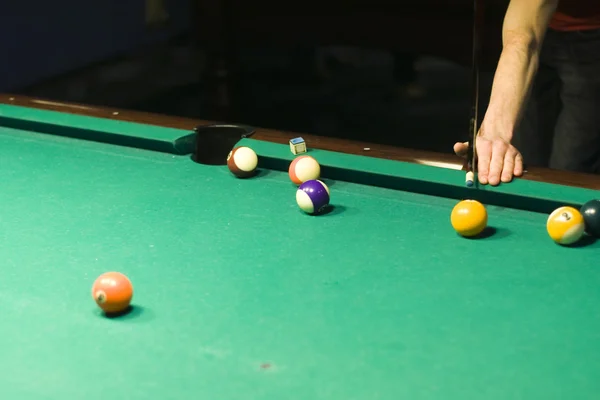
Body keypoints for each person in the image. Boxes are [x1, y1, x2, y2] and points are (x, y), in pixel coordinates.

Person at [454, 0, 600, 185]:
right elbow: (522, 37)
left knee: (571, 164)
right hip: (539, 27)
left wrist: (495, 132)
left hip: (593, 36)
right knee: (523, 157)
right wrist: (495, 134)